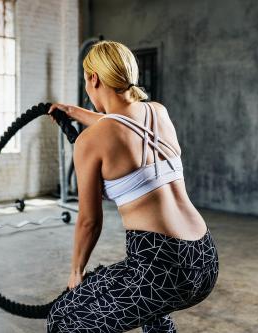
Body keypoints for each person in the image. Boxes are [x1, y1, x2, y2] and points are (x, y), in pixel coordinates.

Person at [45, 41, 219, 333]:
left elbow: (89, 221)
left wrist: (76, 272)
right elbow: (122, 123)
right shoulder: (157, 113)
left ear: (93, 78)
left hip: (159, 269)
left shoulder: (91, 142)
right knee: (153, 313)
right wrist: (72, 111)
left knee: (63, 319)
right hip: (205, 259)